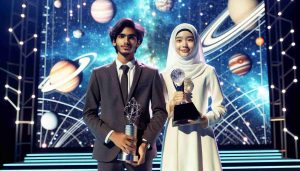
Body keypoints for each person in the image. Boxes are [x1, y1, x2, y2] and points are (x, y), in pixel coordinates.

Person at [83, 18, 167, 171]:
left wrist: (145, 143)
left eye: (131, 37)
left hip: (140, 153)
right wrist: (113, 135)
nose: (126, 41)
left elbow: (160, 112)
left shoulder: (151, 74)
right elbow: (89, 113)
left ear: (138, 42)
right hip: (108, 152)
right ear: (114, 41)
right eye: (121, 36)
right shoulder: (99, 74)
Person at [161, 23, 226, 171]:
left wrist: (204, 119)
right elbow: (160, 111)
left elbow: (220, 107)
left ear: (196, 42)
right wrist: (171, 103)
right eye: (179, 40)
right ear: (173, 43)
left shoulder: (208, 71)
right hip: (175, 137)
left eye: (189, 39)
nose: (184, 44)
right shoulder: (164, 75)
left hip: (201, 136)